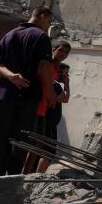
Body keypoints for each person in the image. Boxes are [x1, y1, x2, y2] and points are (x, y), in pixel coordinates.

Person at [0, 6, 55, 177]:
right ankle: (11, 179)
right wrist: (50, 93)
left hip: (4, 95)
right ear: (42, 16)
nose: (48, 25)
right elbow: (44, 67)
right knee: (20, 141)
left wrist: (11, 76)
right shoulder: (41, 36)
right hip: (27, 97)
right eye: (49, 21)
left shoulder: (10, 34)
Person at [25, 40, 72, 174]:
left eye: (66, 52)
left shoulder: (56, 84)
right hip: (45, 118)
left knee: (40, 150)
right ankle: (33, 175)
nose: (63, 54)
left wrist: (66, 84)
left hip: (48, 120)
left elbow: (64, 99)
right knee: (44, 151)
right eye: (61, 50)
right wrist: (65, 85)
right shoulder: (54, 83)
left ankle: (31, 175)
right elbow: (61, 99)